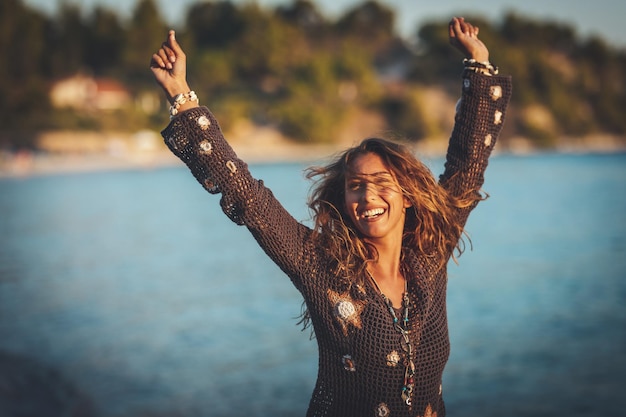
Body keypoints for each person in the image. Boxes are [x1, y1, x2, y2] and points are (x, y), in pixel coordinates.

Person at [150, 17, 511, 417]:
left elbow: (466, 168)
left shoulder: (429, 254)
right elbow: (249, 199)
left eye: (381, 182)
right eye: (355, 185)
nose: (368, 194)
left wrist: (479, 64)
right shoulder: (320, 265)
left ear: (408, 196)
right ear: (343, 197)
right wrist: (183, 96)